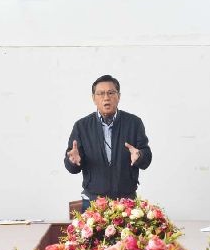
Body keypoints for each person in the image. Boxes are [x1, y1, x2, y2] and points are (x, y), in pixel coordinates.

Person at [64, 75, 152, 211]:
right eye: (100, 93)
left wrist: (140, 155)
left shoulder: (134, 123)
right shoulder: (81, 126)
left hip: (126, 202)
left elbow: (146, 159)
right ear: (93, 98)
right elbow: (72, 167)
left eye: (111, 93)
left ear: (119, 96)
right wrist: (72, 161)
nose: (106, 98)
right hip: (93, 202)